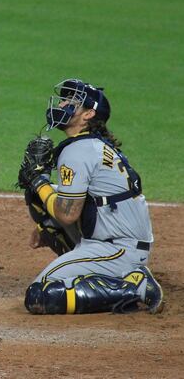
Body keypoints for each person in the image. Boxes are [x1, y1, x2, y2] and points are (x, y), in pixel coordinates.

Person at [20, 79, 164, 314]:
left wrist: (39, 182)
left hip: (117, 248)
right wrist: (42, 202)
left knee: (41, 295)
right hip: (120, 238)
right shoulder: (92, 145)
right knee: (39, 195)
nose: (63, 103)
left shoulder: (78, 151)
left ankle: (135, 287)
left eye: (71, 101)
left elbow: (68, 214)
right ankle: (83, 260)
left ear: (88, 114)